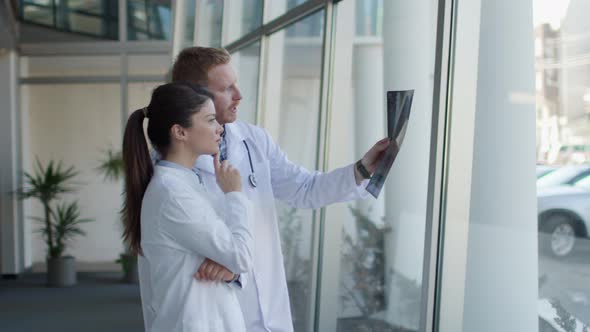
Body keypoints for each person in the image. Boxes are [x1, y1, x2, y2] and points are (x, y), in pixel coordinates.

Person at [171, 47, 390, 332]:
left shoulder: (253, 140)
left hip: (269, 307)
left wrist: (362, 169)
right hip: (215, 311)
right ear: (194, 96)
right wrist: (226, 264)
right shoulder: (173, 163)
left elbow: (305, 188)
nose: (239, 95)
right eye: (226, 88)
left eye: (236, 84)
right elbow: (169, 249)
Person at [121, 82, 253, 332]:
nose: (220, 128)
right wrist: (235, 194)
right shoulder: (174, 195)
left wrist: (230, 271)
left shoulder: (183, 185)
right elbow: (241, 255)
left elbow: (233, 259)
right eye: (211, 120)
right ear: (180, 132)